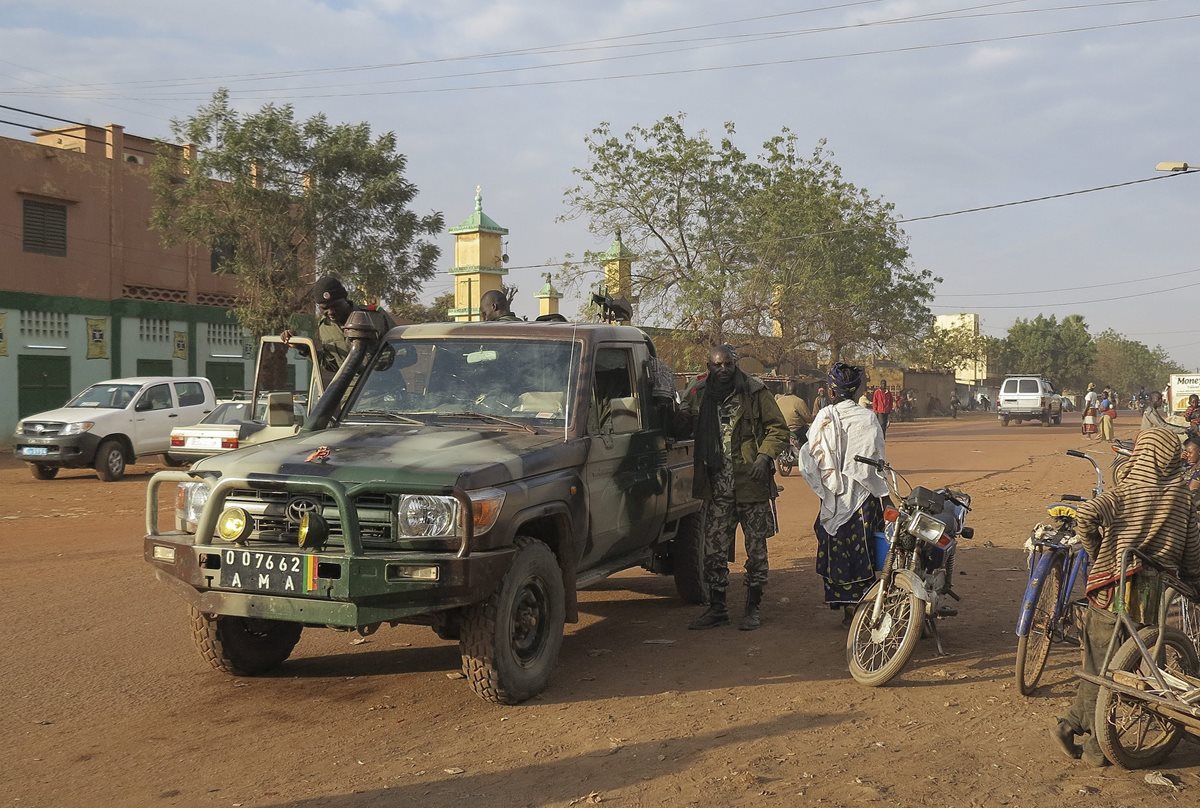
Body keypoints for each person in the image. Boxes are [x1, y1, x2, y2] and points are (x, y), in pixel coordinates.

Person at [1055, 428, 1200, 766]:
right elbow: (1192, 550)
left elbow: (1087, 515)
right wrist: (1194, 582)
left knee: (1100, 664)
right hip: (1149, 595)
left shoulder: (1127, 490)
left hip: (1110, 588)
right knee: (1126, 669)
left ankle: (1075, 727)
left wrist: (1096, 551)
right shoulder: (1181, 496)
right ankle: (1090, 743)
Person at [679, 345, 789, 632]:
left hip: (751, 485)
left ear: (735, 363)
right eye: (718, 365)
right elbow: (681, 421)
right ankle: (717, 609)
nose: (723, 370)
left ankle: (752, 609)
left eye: (728, 364)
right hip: (716, 488)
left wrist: (764, 457)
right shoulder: (700, 392)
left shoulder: (754, 391)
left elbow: (778, 428)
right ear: (709, 366)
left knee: (757, 553)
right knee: (713, 551)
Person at [799, 362, 889, 625]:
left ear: (831, 390)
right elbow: (877, 462)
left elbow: (810, 458)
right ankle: (861, 605)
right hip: (864, 497)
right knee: (864, 549)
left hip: (833, 497)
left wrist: (826, 487)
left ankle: (847, 606)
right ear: (858, 389)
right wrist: (885, 498)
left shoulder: (824, 417)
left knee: (837, 549)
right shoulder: (868, 418)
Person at [281, 276, 396, 380]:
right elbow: (332, 365)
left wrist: (386, 360)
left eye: (335, 306)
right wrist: (303, 348)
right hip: (352, 396)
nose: (331, 312)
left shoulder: (375, 317)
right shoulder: (325, 328)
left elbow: (407, 353)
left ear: (345, 300)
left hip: (386, 391)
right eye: (324, 308)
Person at [775, 380, 813, 445]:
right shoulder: (799, 401)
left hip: (780, 430)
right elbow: (808, 419)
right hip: (796, 432)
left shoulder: (779, 400)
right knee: (809, 442)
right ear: (797, 391)